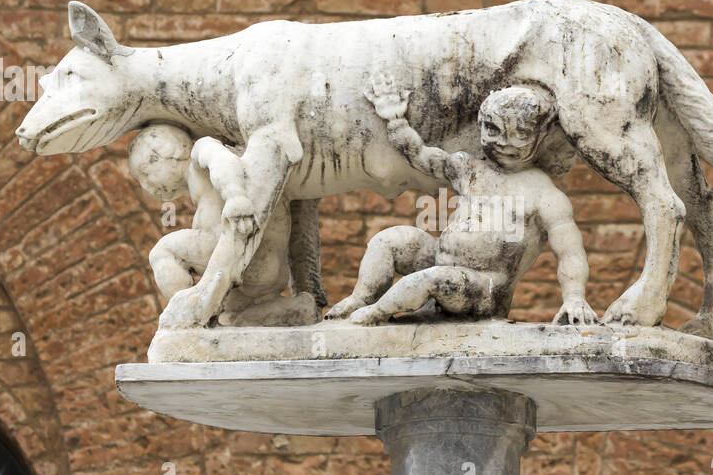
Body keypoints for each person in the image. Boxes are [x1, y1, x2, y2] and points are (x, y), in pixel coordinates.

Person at [326, 74, 597, 326]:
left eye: (521, 134)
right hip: (441, 261)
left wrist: (574, 298)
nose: (505, 142)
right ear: (481, 125)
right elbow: (421, 156)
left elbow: (570, 252)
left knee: (432, 279)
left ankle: (376, 313)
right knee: (390, 239)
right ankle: (362, 297)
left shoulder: (544, 194)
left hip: (483, 289)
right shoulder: (470, 168)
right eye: (493, 129)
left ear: (540, 136)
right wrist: (395, 120)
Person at [127, 124, 316, 327]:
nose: (146, 187)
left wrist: (234, 195)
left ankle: (187, 316)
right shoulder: (198, 185)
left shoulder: (199, 152)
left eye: (146, 174)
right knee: (230, 315)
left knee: (163, 252)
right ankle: (298, 309)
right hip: (269, 269)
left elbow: (222, 161)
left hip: (235, 249)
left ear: (174, 154)